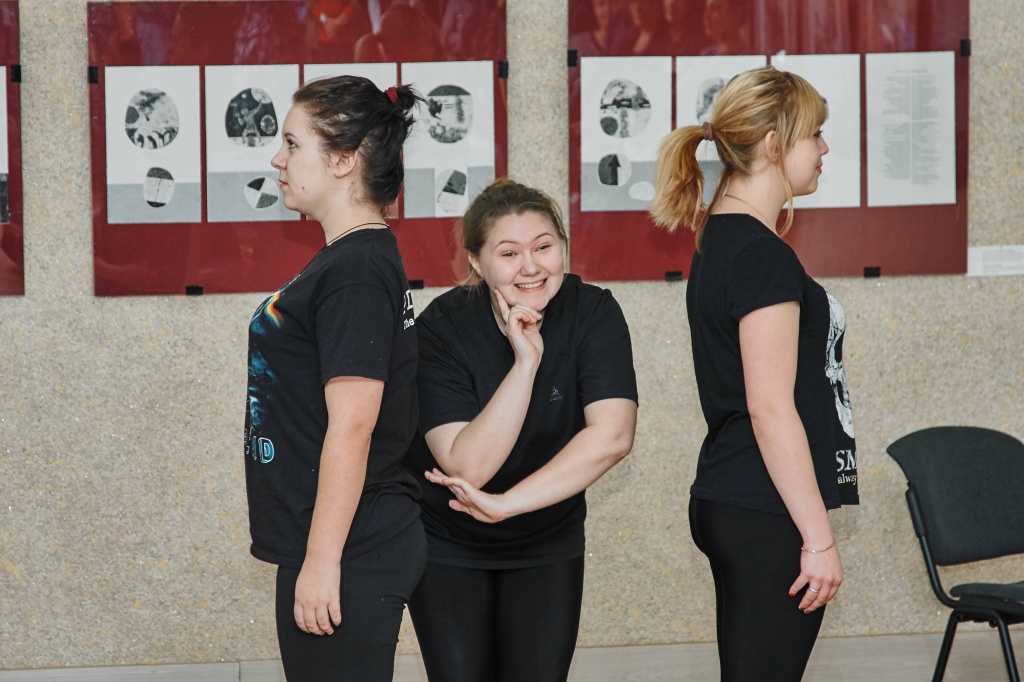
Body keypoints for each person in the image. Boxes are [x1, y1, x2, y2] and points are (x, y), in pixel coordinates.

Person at [650, 66, 859, 681]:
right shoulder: (759, 255)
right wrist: (818, 539)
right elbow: (770, 408)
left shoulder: (722, 238)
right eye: (814, 134)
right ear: (773, 144)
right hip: (763, 507)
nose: (824, 148)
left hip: (742, 497)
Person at [405, 178, 639, 682]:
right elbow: (469, 466)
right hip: (449, 541)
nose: (531, 267)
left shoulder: (594, 313)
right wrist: (525, 364)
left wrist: (507, 505)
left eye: (544, 247)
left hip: (547, 539)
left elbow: (613, 437)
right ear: (476, 261)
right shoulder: (441, 329)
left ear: (563, 247)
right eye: (509, 253)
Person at [244, 76, 426, 681]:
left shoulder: (356, 269)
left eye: (293, 144)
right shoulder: (351, 258)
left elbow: (353, 425)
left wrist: (322, 563)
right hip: (336, 540)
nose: (277, 159)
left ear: (344, 160)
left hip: (351, 547)